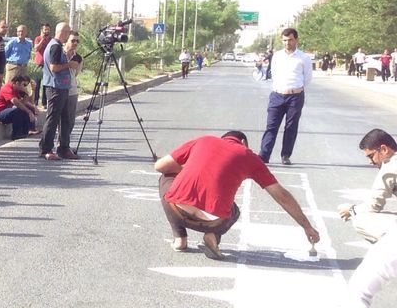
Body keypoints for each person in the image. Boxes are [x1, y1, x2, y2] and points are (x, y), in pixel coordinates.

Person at [153, 129, 319, 260]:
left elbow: (160, 166)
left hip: (177, 209)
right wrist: (306, 226)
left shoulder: (204, 140)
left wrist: (182, 171)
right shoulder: (249, 157)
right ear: (243, 143)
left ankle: (180, 239)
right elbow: (281, 196)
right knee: (234, 211)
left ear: (223, 138)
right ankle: (212, 235)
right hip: (213, 221)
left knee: (166, 177)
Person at [259, 27, 313, 165]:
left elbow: (307, 78)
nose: (287, 43)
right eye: (284, 40)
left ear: (296, 40)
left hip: (295, 97)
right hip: (277, 95)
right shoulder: (277, 56)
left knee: (291, 127)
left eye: (290, 40)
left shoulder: (304, 58)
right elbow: (274, 73)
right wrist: (280, 88)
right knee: (271, 126)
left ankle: (286, 155)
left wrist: (296, 90)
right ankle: (264, 155)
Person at [338, 129, 397, 243]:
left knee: (361, 220)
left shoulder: (390, 166)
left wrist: (351, 210)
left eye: (371, 156)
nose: (371, 162)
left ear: (384, 149)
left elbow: (373, 205)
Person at [39, 21, 79, 161]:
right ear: (62, 32)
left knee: (65, 119)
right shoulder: (55, 46)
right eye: (67, 32)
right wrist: (69, 64)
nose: (68, 35)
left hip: (62, 87)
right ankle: (46, 149)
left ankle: (64, 148)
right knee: (53, 118)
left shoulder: (56, 45)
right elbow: (54, 67)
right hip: (55, 87)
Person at [0, 74, 39, 140]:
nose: (25, 87)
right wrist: (29, 112)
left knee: (27, 108)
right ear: (17, 83)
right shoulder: (7, 88)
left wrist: (31, 91)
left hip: (8, 110)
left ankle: (27, 130)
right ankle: (16, 134)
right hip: (0, 113)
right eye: (24, 85)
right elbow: (16, 103)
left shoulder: (17, 90)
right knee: (18, 110)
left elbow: (25, 102)